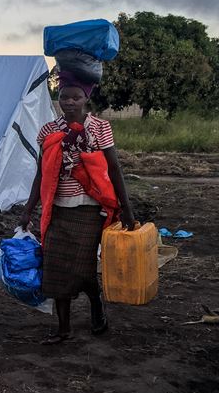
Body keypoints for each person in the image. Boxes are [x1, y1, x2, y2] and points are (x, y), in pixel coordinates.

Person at [19, 70, 136, 345]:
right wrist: (28, 209)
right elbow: (41, 173)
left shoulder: (100, 128)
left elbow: (114, 168)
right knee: (56, 267)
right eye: (64, 97)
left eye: (76, 97)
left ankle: (97, 307)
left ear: (86, 98)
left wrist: (127, 208)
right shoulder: (49, 131)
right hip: (57, 209)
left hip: (90, 210)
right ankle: (63, 329)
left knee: (82, 270)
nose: (69, 102)